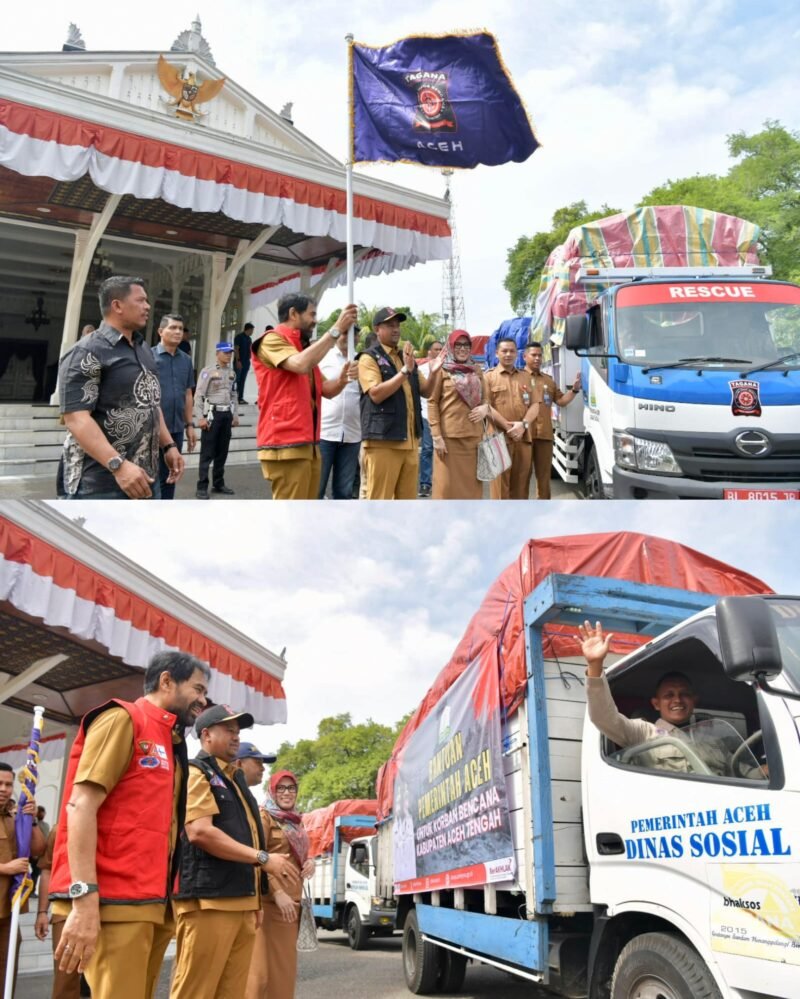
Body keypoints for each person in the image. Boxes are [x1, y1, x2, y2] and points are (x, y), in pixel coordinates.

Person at [48, 651, 210, 999]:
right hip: (111, 903)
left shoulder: (171, 740)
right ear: (166, 681)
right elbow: (80, 806)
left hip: (150, 904)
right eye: (197, 689)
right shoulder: (124, 718)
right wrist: (84, 900)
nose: (203, 700)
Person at [171, 706, 301, 999]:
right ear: (206, 735)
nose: (235, 735)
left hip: (242, 903)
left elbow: (249, 837)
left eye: (237, 730)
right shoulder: (197, 772)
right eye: (228, 729)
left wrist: (254, 898)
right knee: (197, 991)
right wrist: (263, 858)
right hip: (209, 902)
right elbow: (200, 832)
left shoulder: (235, 782)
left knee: (232, 992)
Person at [578, 621, 762, 777]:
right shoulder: (644, 732)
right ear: (656, 703)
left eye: (684, 694)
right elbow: (604, 717)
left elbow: (743, 774)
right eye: (669, 695)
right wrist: (595, 665)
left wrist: (769, 770)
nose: (677, 700)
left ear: (694, 700)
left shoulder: (714, 739)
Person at [58, 276, 185, 499]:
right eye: (141, 300)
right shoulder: (86, 352)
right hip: (99, 484)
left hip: (146, 478)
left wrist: (169, 446)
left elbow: (152, 404)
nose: (147, 306)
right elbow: (76, 419)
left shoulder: (144, 349)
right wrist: (119, 466)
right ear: (117, 305)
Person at [252, 295, 358, 500]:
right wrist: (335, 330)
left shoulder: (303, 350)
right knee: (291, 517)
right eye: (312, 314)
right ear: (293, 313)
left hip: (308, 445)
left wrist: (342, 380)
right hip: (285, 442)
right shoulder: (271, 339)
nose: (315, 320)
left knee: (306, 516)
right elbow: (299, 365)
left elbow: (326, 389)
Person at [244, 771, 315, 999]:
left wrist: (310, 861)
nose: (287, 793)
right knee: (260, 976)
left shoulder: (295, 820)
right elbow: (257, 858)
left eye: (291, 788)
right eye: (281, 788)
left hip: (292, 905)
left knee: (283, 974)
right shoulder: (265, 817)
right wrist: (277, 893)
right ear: (272, 791)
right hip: (271, 904)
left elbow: (300, 854)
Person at [357, 307, 438, 500]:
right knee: (380, 502)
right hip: (383, 442)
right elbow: (375, 394)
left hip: (409, 442)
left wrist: (434, 372)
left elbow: (426, 391)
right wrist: (404, 372)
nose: (396, 329)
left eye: (397, 325)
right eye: (390, 325)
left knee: (407, 505)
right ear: (377, 329)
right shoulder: (369, 357)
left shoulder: (405, 357)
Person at [427, 330, 499, 500]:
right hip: (448, 441)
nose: (462, 349)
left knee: (471, 491)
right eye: (458, 345)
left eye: (466, 345)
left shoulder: (476, 370)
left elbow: (486, 397)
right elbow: (432, 403)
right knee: (446, 489)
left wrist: (485, 408)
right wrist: (436, 436)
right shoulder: (442, 370)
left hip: (473, 440)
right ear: (451, 346)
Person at [0, 760, 45, 998]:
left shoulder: (15, 815)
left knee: (6, 974)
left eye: (8, 784)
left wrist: (31, 820)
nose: (4, 789)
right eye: (0, 783)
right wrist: (5, 868)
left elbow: (38, 850)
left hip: (8, 910)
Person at [483, 337, 540, 500]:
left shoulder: (526, 377)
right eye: (504, 351)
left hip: (522, 438)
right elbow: (486, 407)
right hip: (497, 439)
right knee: (500, 489)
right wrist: (509, 428)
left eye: (512, 351)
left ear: (517, 353)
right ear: (496, 353)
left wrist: (523, 425)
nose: (508, 354)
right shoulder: (488, 377)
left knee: (521, 488)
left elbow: (535, 405)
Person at [524, 342, 581, 499]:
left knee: (544, 478)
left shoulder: (548, 381)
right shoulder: (517, 378)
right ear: (525, 356)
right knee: (522, 477)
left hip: (544, 435)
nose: (537, 358)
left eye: (539, 355)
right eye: (533, 355)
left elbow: (561, 401)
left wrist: (574, 390)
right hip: (524, 436)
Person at [152, 314, 197, 500]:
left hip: (177, 428)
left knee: (171, 475)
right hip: (152, 429)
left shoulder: (186, 360)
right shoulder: (148, 357)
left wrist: (189, 425)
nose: (178, 332)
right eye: (173, 328)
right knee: (151, 477)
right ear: (161, 332)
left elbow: (188, 394)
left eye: (180, 328)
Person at [34, 826, 83, 999]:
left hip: (110, 912)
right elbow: (47, 869)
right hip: (66, 911)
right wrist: (42, 912)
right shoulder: (61, 828)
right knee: (65, 983)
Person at [318, 322, 362, 500]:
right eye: (344, 333)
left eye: (353, 334)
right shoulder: (324, 358)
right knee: (316, 487)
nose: (348, 338)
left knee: (344, 491)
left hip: (352, 434)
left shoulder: (362, 361)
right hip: (325, 432)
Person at [194, 343, 239, 499]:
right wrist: (200, 417)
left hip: (226, 415)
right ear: (218, 353)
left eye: (230, 352)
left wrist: (235, 415)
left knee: (222, 451)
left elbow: (234, 395)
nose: (229, 355)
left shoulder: (232, 373)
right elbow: (199, 395)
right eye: (226, 352)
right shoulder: (208, 372)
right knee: (207, 452)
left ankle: (218, 483)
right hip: (213, 415)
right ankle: (202, 486)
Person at [417, 340, 443, 498]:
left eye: (441, 349)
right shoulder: (421, 370)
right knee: (427, 449)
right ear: (429, 352)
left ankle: (441, 482)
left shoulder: (448, 370)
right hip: (427, 416)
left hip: (444, 417)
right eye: (436, 349)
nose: (439, 351)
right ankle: (425, 483)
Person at [234, 323, 255, 404]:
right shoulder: (239, 337)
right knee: (237, 380)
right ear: (248, 329)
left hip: (246, 362)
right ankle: (234, 397)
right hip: (239, 362)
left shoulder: (249, 339)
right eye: (252, 330)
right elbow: (236, 349)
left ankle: (240, 398)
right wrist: (238, 360)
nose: (252, 332)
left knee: (243, 380)